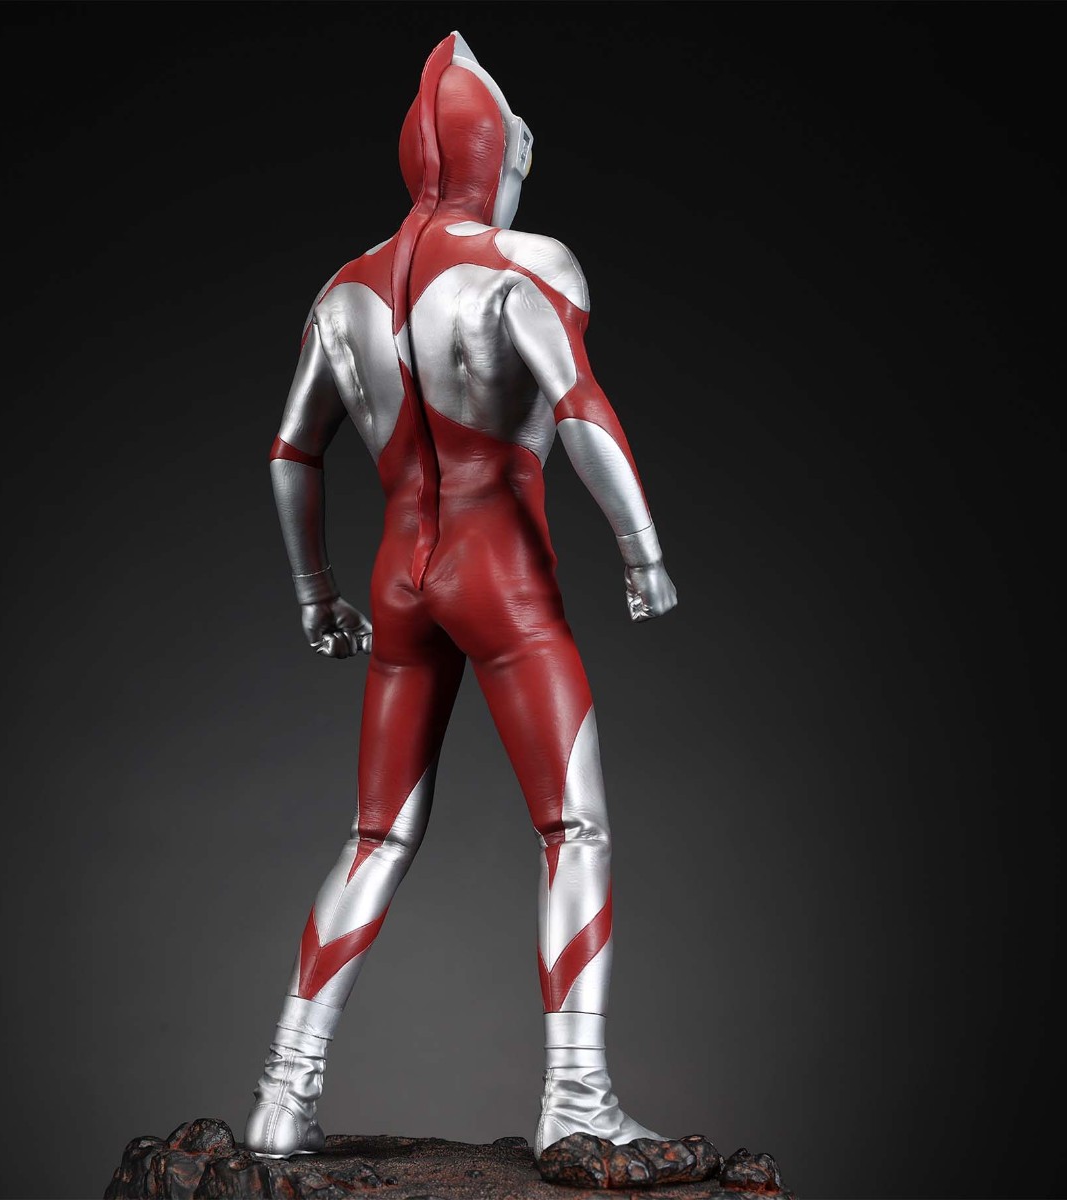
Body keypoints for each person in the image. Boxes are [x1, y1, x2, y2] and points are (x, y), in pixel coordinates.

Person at [247, 31, 680, 1159]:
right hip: (501, 570)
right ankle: (576, 1097)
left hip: (399, 577)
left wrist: (314, 592)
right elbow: (579, 406)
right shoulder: (527, 264)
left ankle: (282, 1099)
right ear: (505, 152)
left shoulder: (341, 291)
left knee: (374, 836)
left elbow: (292, 452)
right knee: (574, 826)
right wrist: (641, 549)